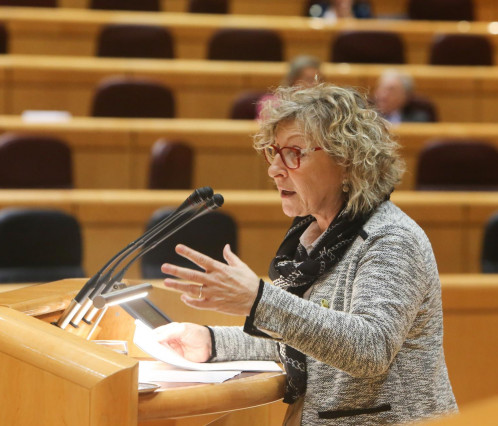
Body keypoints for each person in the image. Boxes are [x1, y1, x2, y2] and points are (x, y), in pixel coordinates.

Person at [154, 83, 457, 425]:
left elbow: (369, 349)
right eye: (274, 151)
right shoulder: (316, 241)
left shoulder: (391, 239)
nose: (275, 169)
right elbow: (301, 339)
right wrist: (210, 341)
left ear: (347, 159)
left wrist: (259, 300)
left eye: (293, 153)